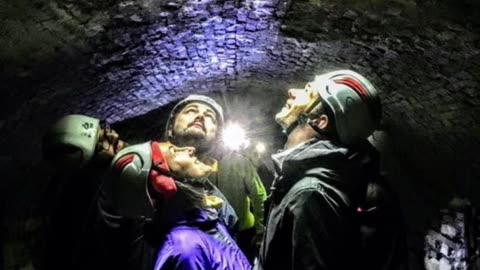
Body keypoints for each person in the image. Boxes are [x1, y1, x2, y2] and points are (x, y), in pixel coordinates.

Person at [255, 70, 382, 270]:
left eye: (307, 91)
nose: (291, 91)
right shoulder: (303, 176)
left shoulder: (312, 194)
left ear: (320, 121)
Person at [108, 141, 251, 269]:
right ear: (161, 183)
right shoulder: (185, 248)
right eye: (174, 151)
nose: (190, 149)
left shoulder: (205, 222)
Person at [165, 95, 267, 260]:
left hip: (243, 230)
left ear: (216, 137)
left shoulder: (237, 163)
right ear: (170, 126)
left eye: (210, 117)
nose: (200, 116)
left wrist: (260, 230)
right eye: (191, 111)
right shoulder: (144, 179)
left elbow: (259, 194)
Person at [39, 114, 126, 270]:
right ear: (89, 165)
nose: (114, 135)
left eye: (105, 128)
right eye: (103, 143)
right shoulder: (106, 206)